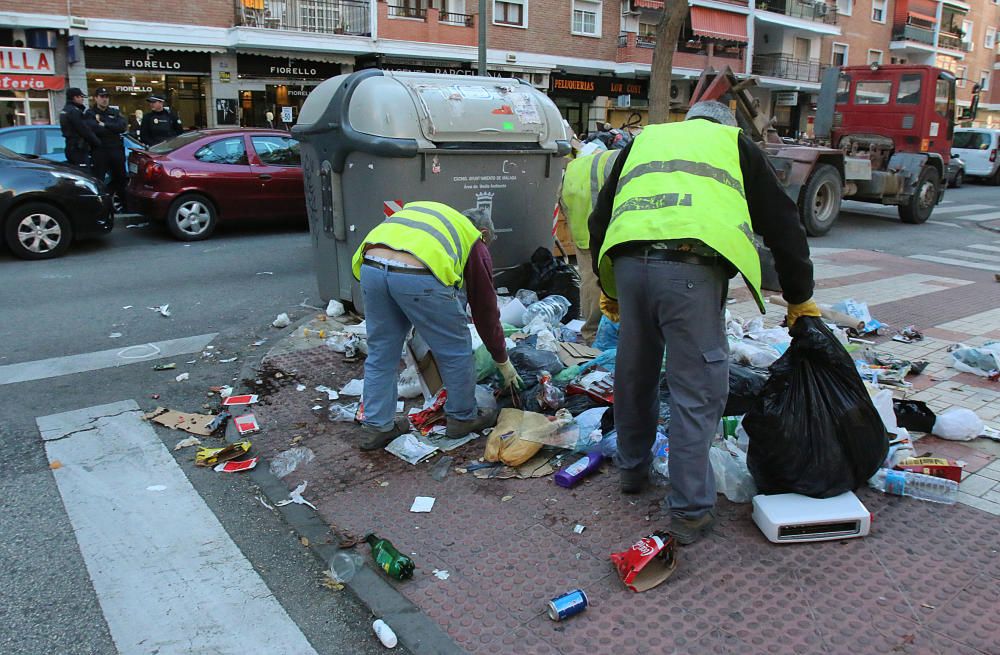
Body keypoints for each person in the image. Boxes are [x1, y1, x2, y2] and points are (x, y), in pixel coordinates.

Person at [588, 100, 820, 545]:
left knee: (634, 372)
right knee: (697, 386)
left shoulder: (644, 140)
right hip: (690, 270)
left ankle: (632, 473)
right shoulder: (732, 142)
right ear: (724, 123)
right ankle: (690, 511)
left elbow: (602, 216)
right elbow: (782, 222)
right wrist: (800, 297)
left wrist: (610, 287)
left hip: (631, 266)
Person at [351, 201, 524, 451]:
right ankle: (462, 418)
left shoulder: (435, 220)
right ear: (484, 234)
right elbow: (485, 310)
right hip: (417, 274)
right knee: (456, 350)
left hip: (372, 265)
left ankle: (377, 427)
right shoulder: (474, 241)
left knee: (381, 352)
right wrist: (502, 360)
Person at [558, 148, 620, 344]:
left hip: (579, 206)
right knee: (596, 278)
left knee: (592, 275)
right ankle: (592, 334)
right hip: (593, 212)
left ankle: (594, 332)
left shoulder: (580, 165)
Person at [85, 87, 128, 206]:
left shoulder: (114, 112)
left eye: (106, 97)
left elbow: (121, 127)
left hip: (116, 150)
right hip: (100, 151)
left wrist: (104, 124)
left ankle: (124, 205)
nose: (105, 99)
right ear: (96, 98)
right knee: (99, 180)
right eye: (102, 97)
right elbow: (93, 128)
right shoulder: (90, 113)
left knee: (121, 179)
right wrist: (110, 128)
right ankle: (98, 206)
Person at [58, 87, 100, 171]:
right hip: (78, 148)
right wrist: (97, 142)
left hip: (70, 147)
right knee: (84, 174)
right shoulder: (74, 112)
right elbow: (84, 130)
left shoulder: (65, 110)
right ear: (75, 97)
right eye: (81, 97)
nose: (82, 99)